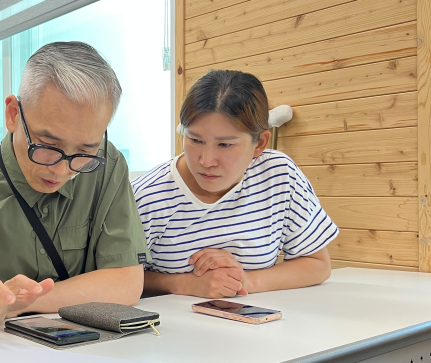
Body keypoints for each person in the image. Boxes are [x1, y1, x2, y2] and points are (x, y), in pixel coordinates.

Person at [0, 42, 149, 328]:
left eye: (85, 151)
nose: (62, 170)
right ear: (13, 114)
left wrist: (20, 302)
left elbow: (126, 282)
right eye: (48, 145)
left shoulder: (107, 165)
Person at [133, 70, 337, 299]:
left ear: (260, 143)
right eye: (195, 140)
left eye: (225, 145)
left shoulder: (279, 175)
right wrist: (182, 284)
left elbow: (317, 264)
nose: (206, 161)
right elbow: (114, 279)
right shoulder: (146, 196)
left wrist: (243, 281)